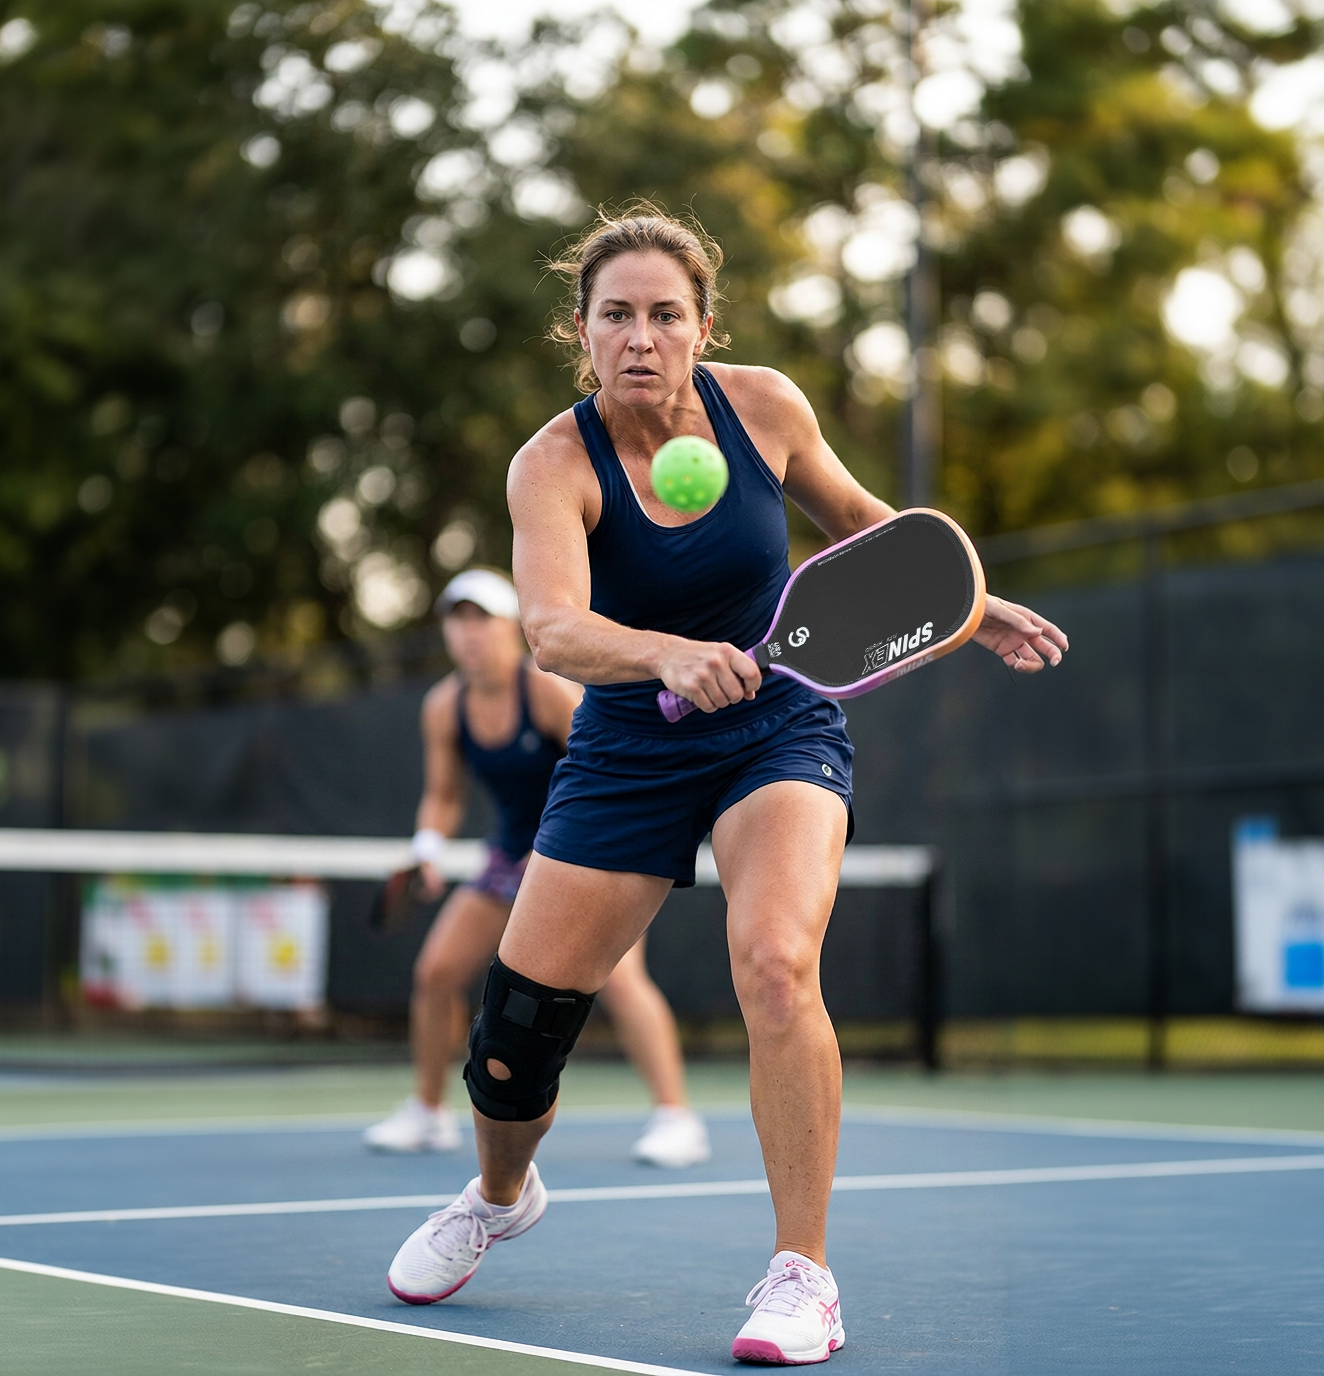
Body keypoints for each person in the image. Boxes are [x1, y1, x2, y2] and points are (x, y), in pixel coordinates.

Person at [384, 208, 1068, 1360]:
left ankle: (801, 1275)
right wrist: (660, 653)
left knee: (774, 958)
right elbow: (550, 625)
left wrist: (966, 605)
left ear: (702, 325)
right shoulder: (551, 464)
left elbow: (864, 532)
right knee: (513, 1037)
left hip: (779, 724)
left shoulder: (765, 407)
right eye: (617, 315)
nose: (640, 336)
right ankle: (500, 1194)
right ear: (581, 333)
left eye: (664, 313)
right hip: (626, 743)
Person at [365, 566, 710, 1169]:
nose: (469, 634)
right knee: (436, 971)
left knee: (624, 983)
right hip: (507, 858)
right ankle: (428, 1112)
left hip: (592, 848)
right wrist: (426, 849)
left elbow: (603, 761)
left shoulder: (548, 692)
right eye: (458, 620)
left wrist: (556, 843)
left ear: (512, 630)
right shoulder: (444, 707)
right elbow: (444, 797)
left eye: (483, 620)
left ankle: (677, 1119)